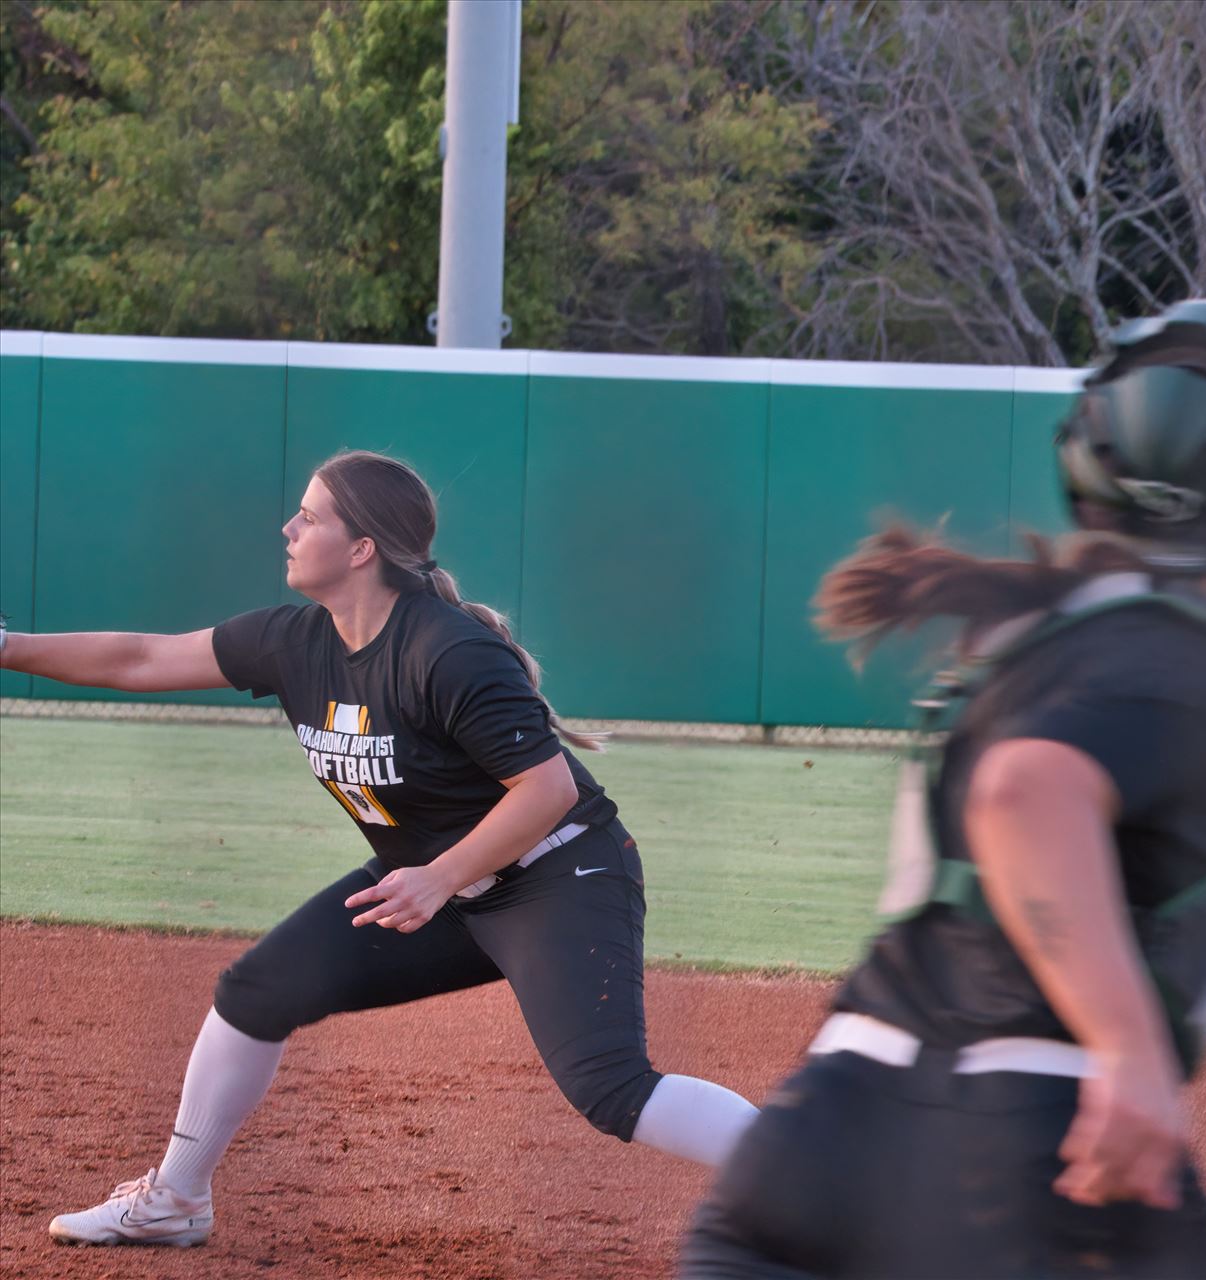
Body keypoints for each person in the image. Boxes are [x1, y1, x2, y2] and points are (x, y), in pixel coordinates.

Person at [676, 302, 1206, 1280]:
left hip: (815, 1149)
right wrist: (1128, 1049)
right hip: (1041, 1158)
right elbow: (1026, 792)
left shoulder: (1044, 626)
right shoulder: (1188, 652)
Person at [0, 450, 759, 1248]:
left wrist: (440, 877)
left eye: (310, 515)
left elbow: (548, 791)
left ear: (362, 548)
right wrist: (8, 647)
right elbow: (142, 656)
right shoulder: (292, 641)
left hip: (555, 875)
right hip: (430, 881)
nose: (288, 527)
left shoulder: (447, 650)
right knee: (256, 992)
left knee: (610, 1088)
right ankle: (176, 1200)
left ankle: (821, 1184)